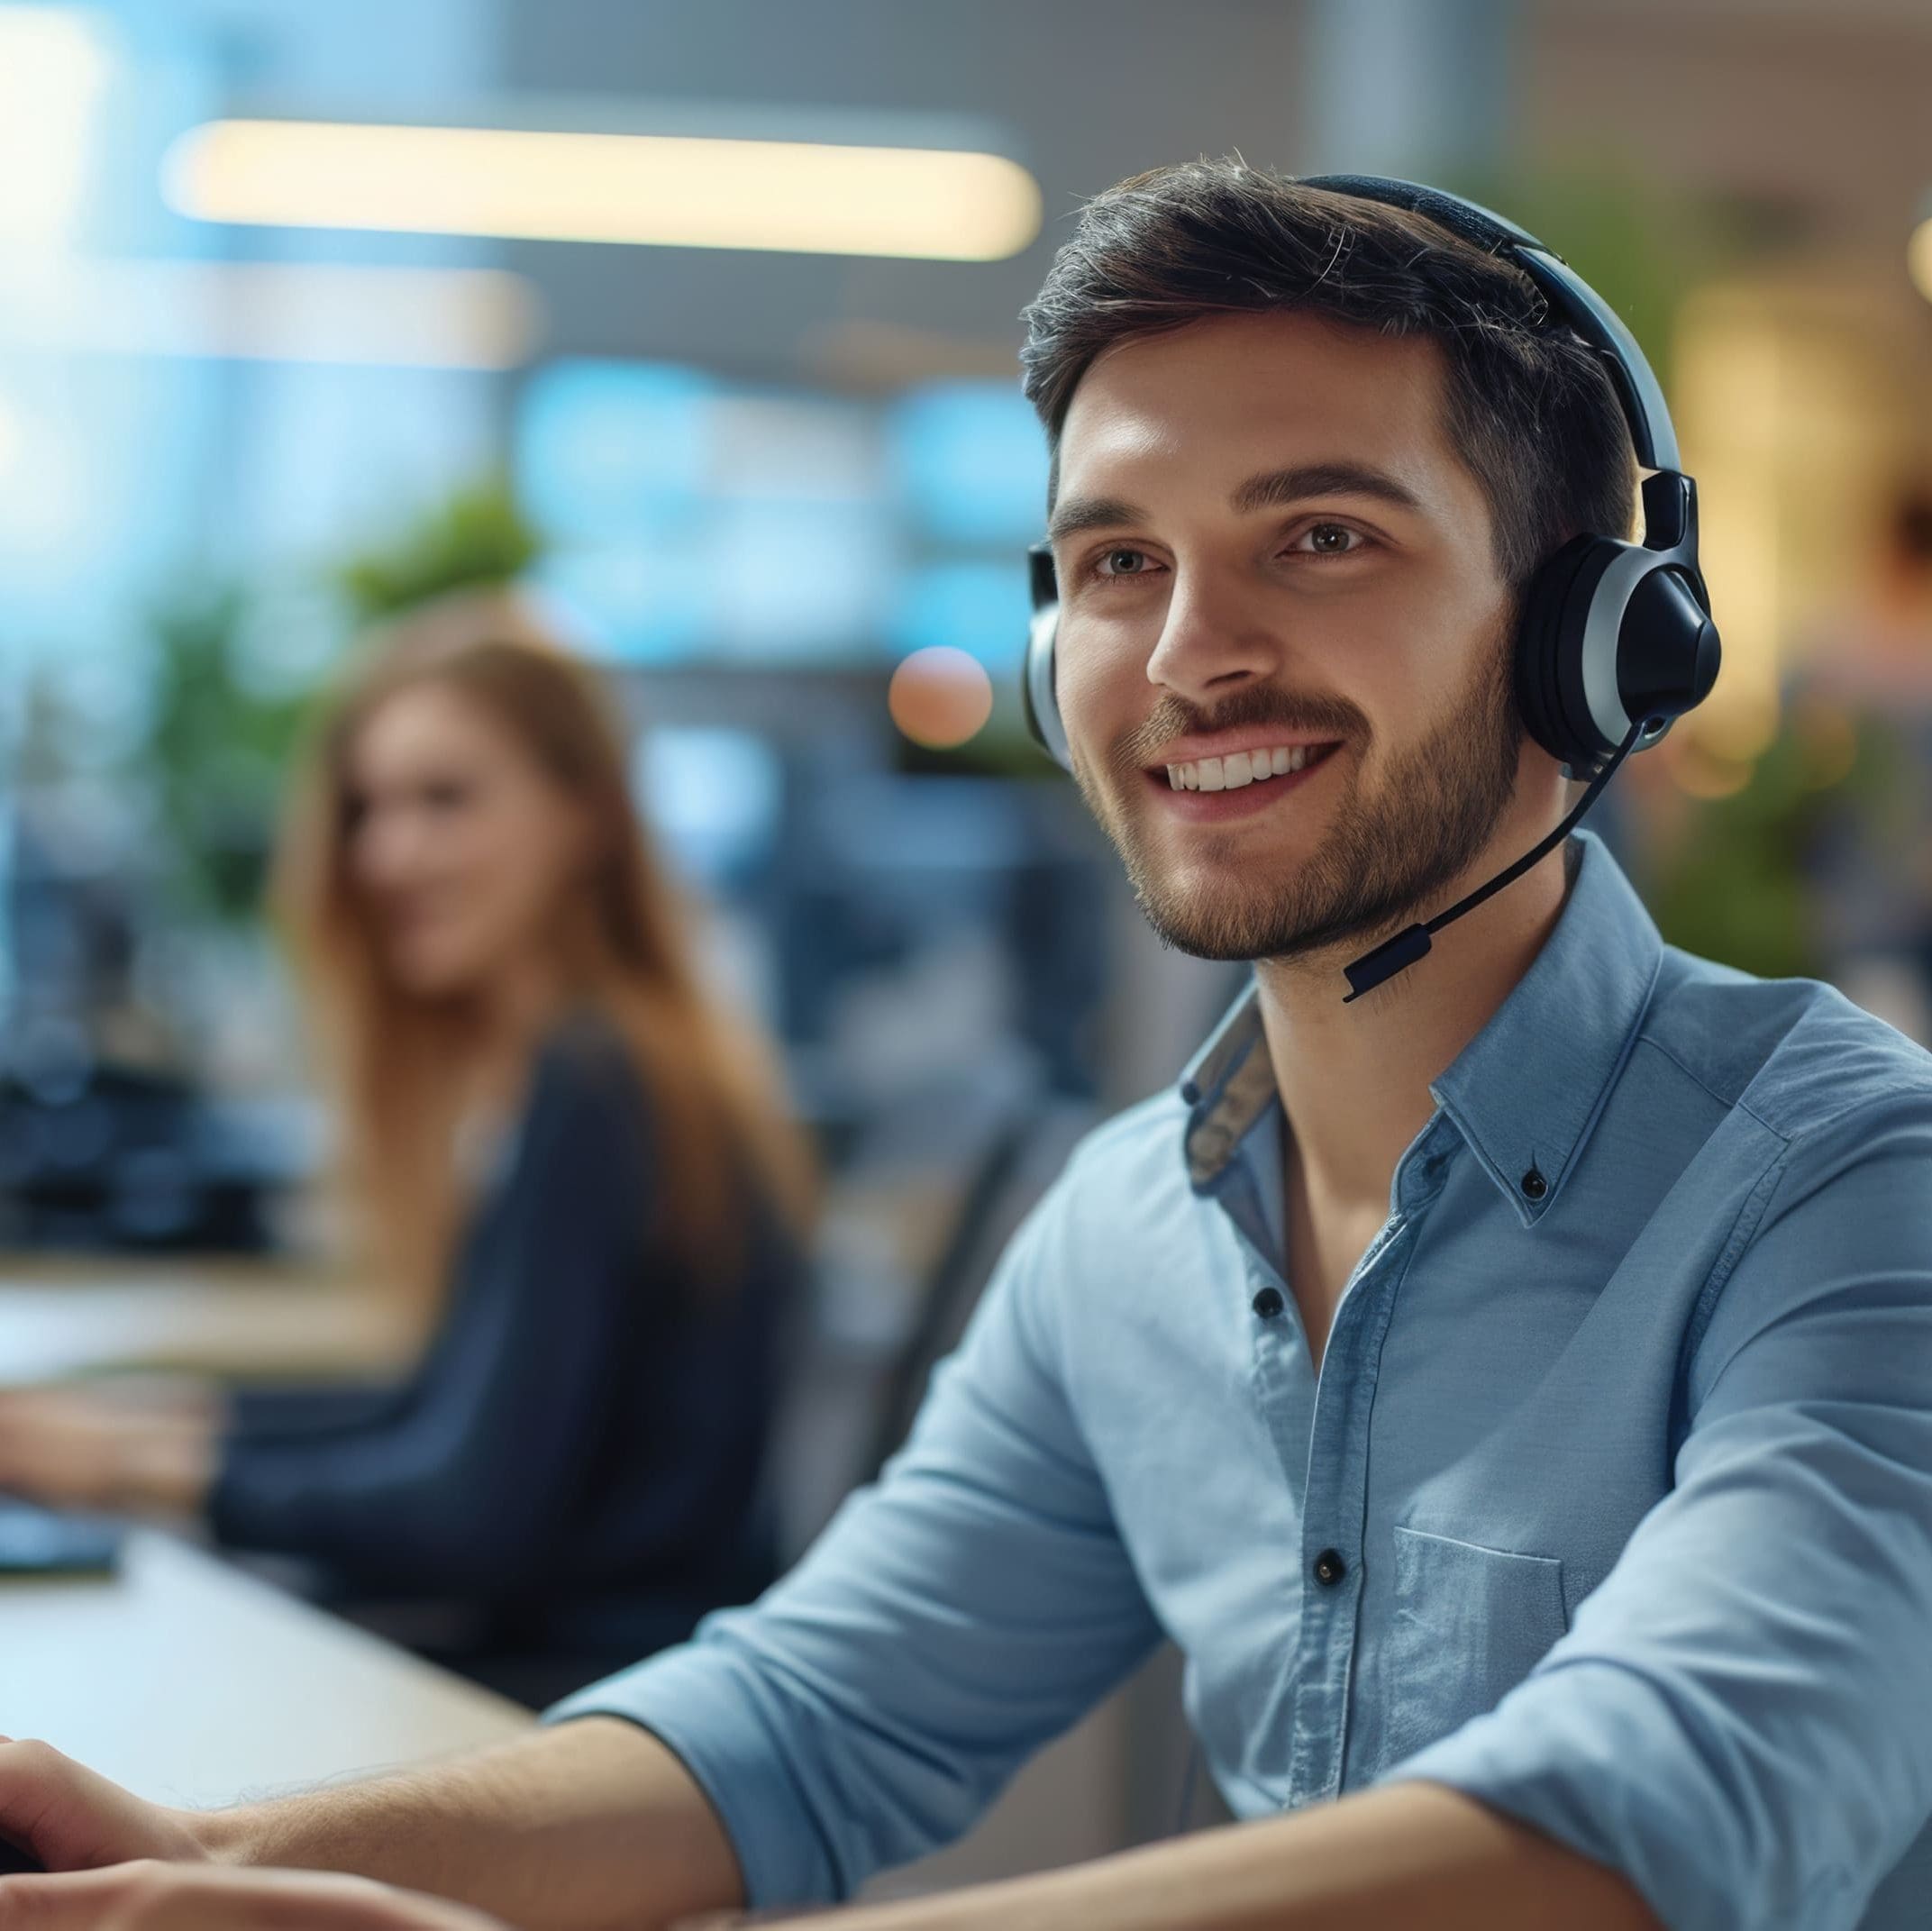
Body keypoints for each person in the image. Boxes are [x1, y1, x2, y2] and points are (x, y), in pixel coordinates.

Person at [4, 160, 1931, 1931]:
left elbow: (1670, 1803)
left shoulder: (1847, 1188)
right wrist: (210, 1855)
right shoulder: (1126, 1230)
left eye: (1320, 535)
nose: (1186, 655)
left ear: (1598, 637)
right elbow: (809, 1714)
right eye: (1114, 564)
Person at [0, 594, 816, 1694]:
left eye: (445, 799)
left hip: (574, 1698)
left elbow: (465, 1508)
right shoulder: (585, 1062)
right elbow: (432, 1406)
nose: (388, 853)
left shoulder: (600, 1083)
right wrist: (137, 1427)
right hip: (576, 1672)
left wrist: (118, 1465)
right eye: (369, 809)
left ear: (583, 811)